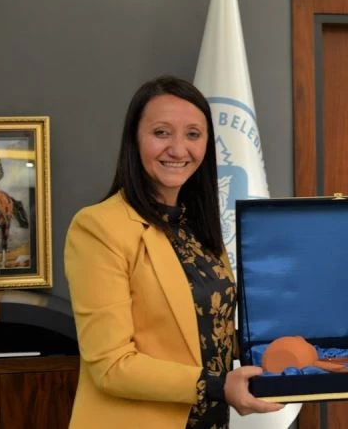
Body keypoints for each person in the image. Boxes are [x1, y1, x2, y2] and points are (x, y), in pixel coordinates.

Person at [64, 76, 282, 428]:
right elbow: (111, 365)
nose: (179, 150)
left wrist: (289, 346)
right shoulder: (97, 227)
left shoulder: (198, 226)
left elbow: (209, 331)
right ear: (134, 140)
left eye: (193, 134)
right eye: (162, 133)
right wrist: (217, 386)